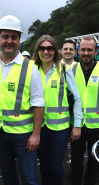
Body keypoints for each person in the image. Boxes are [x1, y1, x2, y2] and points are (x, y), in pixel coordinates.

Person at [0, 15, 45, 185]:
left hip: (23, 135)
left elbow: (38, 102)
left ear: (19, 40)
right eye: (5, 37)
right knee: (7, 172)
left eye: (13, 37)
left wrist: (36, 135)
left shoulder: (31, 68)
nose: (9, 41)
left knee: (29, 176)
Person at [31, 35, 83, 185]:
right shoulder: (31, 70)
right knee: (44, 165)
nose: (46, 52)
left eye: (49, 48)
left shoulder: (64, 69)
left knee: (55, 165)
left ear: (55, 50)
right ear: (37, 50)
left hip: (60, 128)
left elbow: (77, 98)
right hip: (38, 127)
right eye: (42, 48)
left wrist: (77, 125)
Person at [70, 36, 99, 185]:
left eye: (90, 49)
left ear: (96, 51)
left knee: (95, 163)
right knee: (75, 161)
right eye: (83, 49)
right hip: (76, 125)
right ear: (78, 51)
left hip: (97, 127)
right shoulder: (70, 70)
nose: (86, 52)